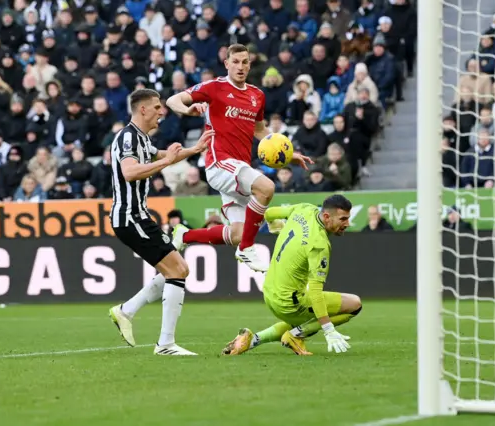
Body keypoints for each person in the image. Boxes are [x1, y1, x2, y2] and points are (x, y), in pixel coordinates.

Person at [166, 44, 313, 272]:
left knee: (236, 233)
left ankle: (185, 235)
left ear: (250, 64)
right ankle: (250, 244)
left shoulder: (257, 95)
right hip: (218, 163)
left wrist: (290, 154)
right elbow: (173, 100)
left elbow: (261, 131)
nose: (240, 66)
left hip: (239, 168)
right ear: (227, 64)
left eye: (245, 62)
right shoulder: (214, 87)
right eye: (235, 62)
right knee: (266, 188)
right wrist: (187, 110)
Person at [108, 89, 213, 356]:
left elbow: (163, 155)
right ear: (142, 109)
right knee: (178, 269)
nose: (161, 111)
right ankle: (165, 344)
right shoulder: (127, 137)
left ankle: (126, 311)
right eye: (156, 107)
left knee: (176, 269)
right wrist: (166, 161)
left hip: (138, 216)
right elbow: (129, 172)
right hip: (130, 217)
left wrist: (194, 149)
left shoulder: (141, 138)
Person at [222, 195, 362, 356]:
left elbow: (268, 212)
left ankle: (251, 340)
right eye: (343, 219)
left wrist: (274, 224)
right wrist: (328, 329)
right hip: (289, 302)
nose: (347, 224)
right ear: (326, 217)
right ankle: (295, 336)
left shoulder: (304, 209)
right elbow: (316, 293)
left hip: (269, 292)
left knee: (304, 320)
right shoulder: (319, 245)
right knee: (354, 304)